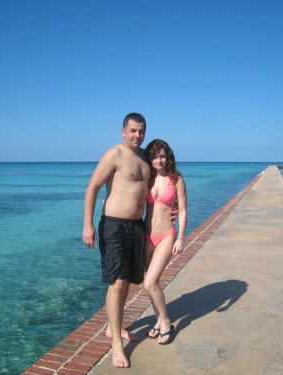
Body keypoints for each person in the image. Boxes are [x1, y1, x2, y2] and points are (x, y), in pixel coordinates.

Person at [82, 113, 151, 368]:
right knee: (117, 282)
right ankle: (117, 346)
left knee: (128, 283)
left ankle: (115, 328)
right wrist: (88, 225)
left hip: (136, 227)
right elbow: (93, 188)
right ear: (123, 131)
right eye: (133, 130)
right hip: (113, 226)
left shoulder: (145, 158)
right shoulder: (115, 154)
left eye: (141, 131)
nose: (137, 135)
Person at [143, 139, 187, 345]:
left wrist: (180, 238)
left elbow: (184, 210)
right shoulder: (147, 178)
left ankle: (166, 321)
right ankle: (158, 319)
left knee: (150, 282)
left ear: (168, 156)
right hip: (146, 236)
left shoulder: (176, 180)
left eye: (162, 155)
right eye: (154, 156)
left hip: (167, 235)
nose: (158, 160)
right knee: (153, 284)